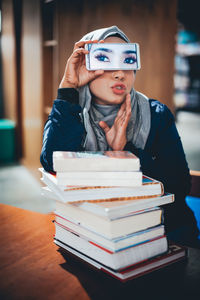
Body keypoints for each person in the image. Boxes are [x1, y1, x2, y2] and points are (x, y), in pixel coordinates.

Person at [40, 25, 199, 246]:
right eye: (104, 60)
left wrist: (127, 152)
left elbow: (178, 186)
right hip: (94, 233)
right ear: (85, 66)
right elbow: (52, 164)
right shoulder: (70, 112)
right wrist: (68, 89)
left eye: (127, 61)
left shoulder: (157, 115)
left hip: (164, 231)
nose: (119, 73)